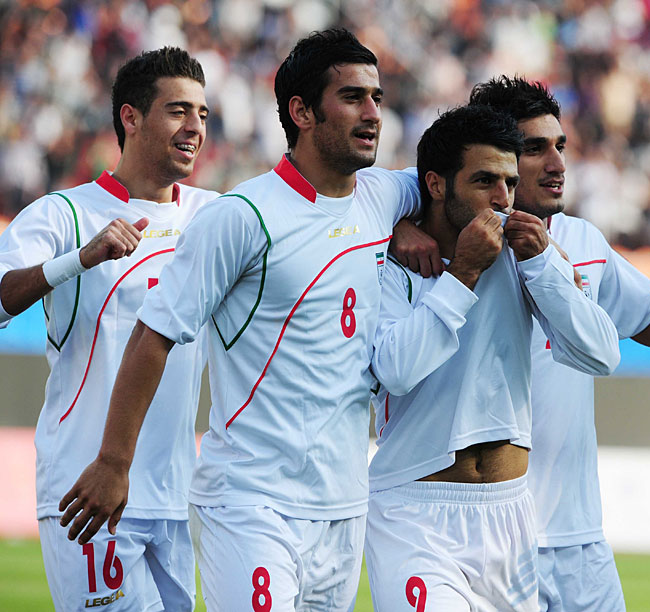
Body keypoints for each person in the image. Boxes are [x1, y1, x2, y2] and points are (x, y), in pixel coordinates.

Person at [387, 75, 650, 612]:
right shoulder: (421, 243)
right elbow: (384, 189)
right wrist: (399, 223)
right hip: (477, 523)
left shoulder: (581, 242)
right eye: (535, 148)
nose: (557, 163)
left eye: (560, 145)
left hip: (576, 536)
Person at [59, 29, 421, 611]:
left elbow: (462, 185)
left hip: (345, 506)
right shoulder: (242, 216)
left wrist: (414, 226)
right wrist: (113, 462)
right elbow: (153, 336)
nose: (373, 113)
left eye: (377, 97)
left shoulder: (390, 195)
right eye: (353, 97)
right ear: (301, 112)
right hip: (250, 503)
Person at [365, 103, 621, 611]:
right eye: (485, 181)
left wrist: (544, 264)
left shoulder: (525, 256)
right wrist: (461, 273)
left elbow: (601, 355)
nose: (502, 198)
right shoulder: (391, 262)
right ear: (436, 185)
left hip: (511, 519)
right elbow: (395, 370)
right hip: (415, 516)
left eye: (509, 182)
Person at [0, 47, 214, 611]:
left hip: (175, 495)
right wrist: (79, 259)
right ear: (130, 117)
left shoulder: (214, 215)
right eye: (178, 110)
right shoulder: (63, 213)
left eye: (202, 113)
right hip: (86, 491)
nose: (195, 127)